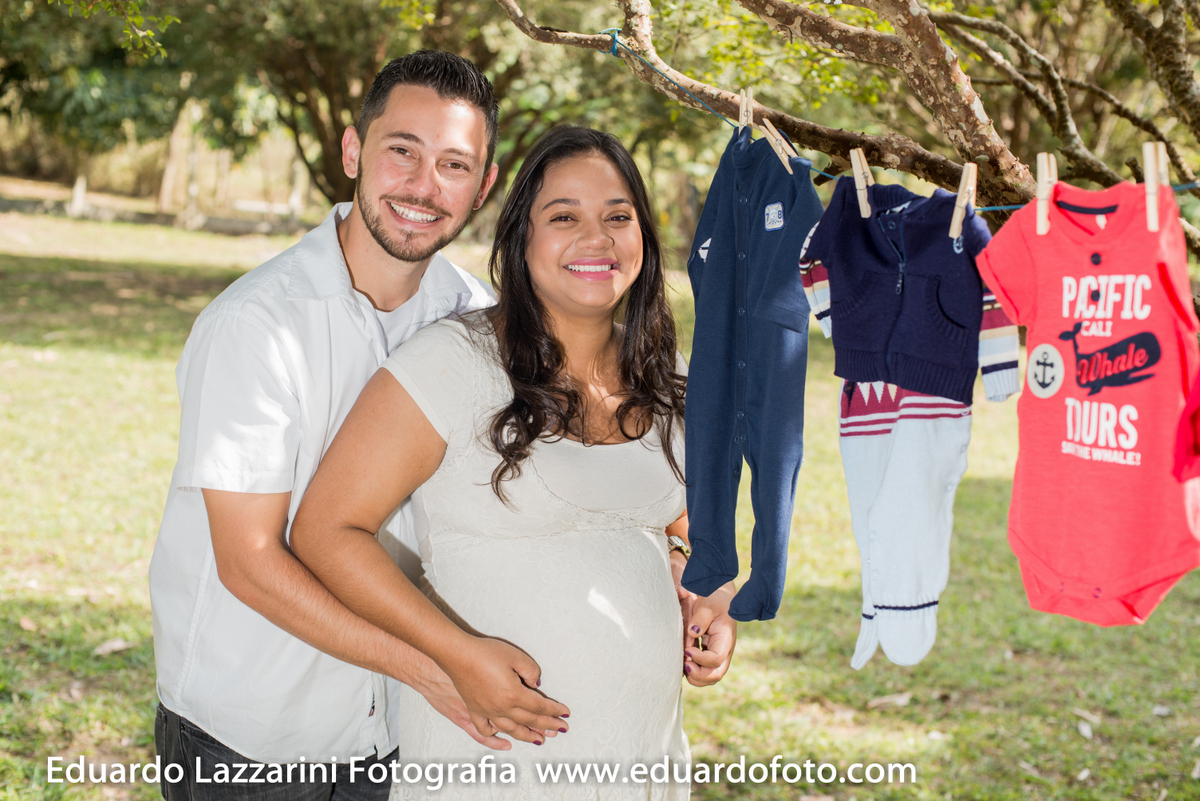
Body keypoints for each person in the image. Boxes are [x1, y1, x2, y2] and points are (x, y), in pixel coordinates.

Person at [147, 51, 566, 801]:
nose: (423, 186)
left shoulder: (481, 324)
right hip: (252, 738)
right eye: (402, 150)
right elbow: (249, 561)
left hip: (402, 737)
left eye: (454, 165)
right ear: (353, 151)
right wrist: (438, 668)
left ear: (484, 187)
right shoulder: (255, 325)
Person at [290, 125, 738, 799]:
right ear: (520, 237)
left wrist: (710, 598)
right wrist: (455, 653)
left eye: (618, 217)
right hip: (491, 763)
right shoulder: (451, 362)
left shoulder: (665, 372)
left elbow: (681, 522)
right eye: (564, 217)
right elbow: (325, 530)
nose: (597, 238)